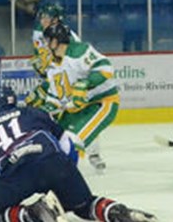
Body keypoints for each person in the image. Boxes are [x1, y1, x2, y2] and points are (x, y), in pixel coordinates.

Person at [0, 87, 157, 222]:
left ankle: (31, 214)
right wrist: (63, 177)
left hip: (16, 170)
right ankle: (114, 210)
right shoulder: (34, 112)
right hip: (53, 162)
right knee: (83, 205)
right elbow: (66, 143)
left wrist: (10, 200)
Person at [26, 23, 118, 171]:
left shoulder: (79, 51)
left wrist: (86, 82)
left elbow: (106, 68)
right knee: (53, 140)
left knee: (72, 142)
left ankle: (64, 185)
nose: (46, 45)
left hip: (100, 103)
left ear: (56, 41)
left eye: (48, 41)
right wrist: (40, 113)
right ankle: (47, 178)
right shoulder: (53, 66)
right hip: (75, 109)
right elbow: (56, 99)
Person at [30, 3, 79, 78]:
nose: (43, 21)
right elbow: (39, 51)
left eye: (47, 18)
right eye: (42, 17)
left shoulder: (65, 33)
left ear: (55, 20)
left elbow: (74, 58)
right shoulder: (38, 32)